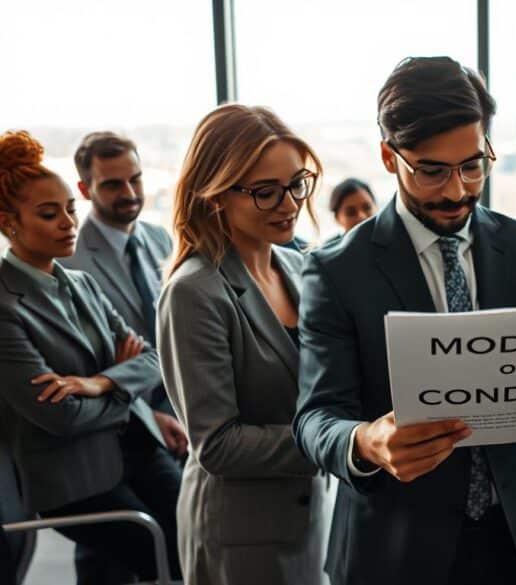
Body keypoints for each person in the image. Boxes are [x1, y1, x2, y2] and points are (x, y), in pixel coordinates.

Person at [294, 56, 516, 585]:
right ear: (390, 157)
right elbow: (316, 416)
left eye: (473, 164)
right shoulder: (336, 269)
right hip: (395, 545)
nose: (457, 190)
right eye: (432, 170)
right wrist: (366, 441)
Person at [0, 130, 182, 583]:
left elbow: (152, 359)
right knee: (163, 553)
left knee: (198, 542)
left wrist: (98, 382)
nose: (68, 224)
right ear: (8, 223)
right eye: (48, 214)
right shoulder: (5, 305)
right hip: (75, 478)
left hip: (138, 447)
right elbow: (60, 416)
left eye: (69, 210)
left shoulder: (80, 282)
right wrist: (122, 384)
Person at [157, 105, 325, 585]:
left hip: (305, 515)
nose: (290, 203)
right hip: (239, 533)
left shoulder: (296, 269)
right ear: (213, 195)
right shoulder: (194, 290)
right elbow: (219, 445)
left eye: (297, 183)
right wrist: (338, 441)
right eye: (265, 192)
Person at [62, 132, 177, 419]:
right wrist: (148, 416)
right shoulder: (69, 262)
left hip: (188, 402)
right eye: (113, 185)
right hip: (131, 417)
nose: (129, 193)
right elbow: (84, 365)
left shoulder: (161, 238)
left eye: (135, 179)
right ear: (85, 190)